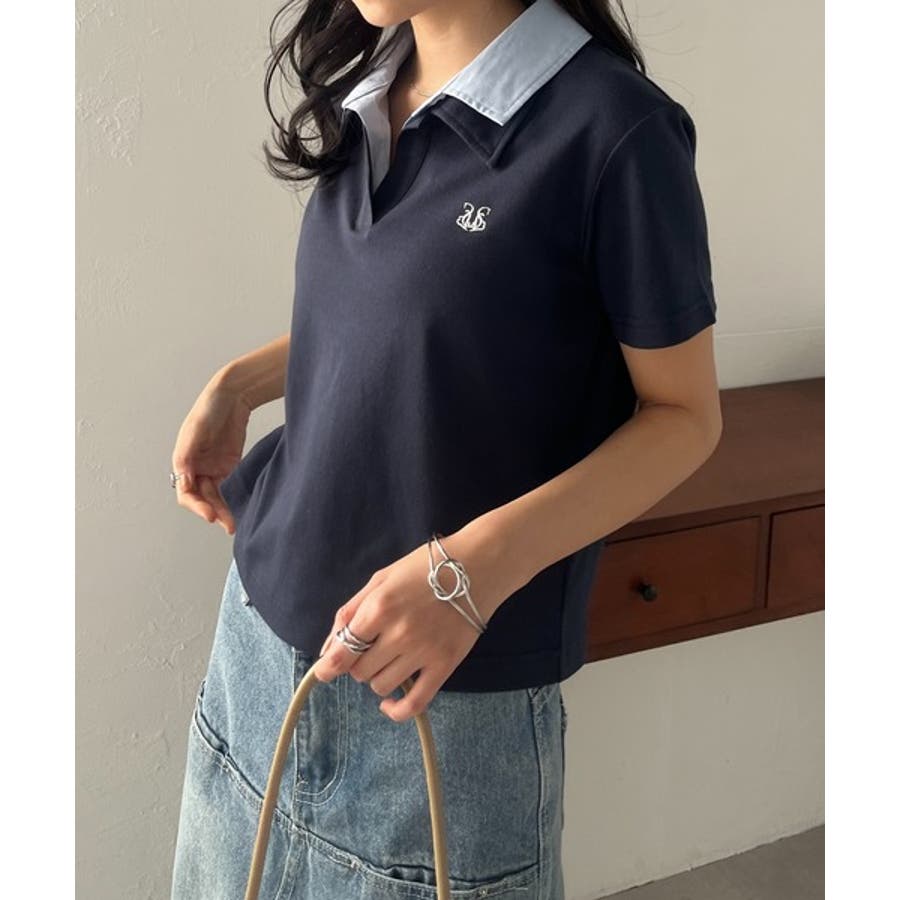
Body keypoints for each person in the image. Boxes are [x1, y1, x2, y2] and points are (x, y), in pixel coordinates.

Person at [169, 0, 722, 897]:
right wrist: (245, 381)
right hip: (256, 656)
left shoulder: (615, 133)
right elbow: (407, 313)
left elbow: (685, 417)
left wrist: (468, 572)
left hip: (436, 706)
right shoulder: (372, 86)